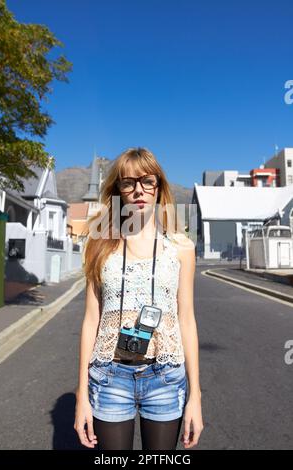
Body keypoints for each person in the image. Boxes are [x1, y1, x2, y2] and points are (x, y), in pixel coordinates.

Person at [74, 147, 203, 450]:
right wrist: (82, 395)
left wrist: (195, 396)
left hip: (166, 378)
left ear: (159, 188)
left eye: (148, 182)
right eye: (128, 182)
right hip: (109, 377)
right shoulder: (99, 243)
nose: (139, 191)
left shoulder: (181, 247)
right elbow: (91, 319)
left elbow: (187, 319)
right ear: (118, 190)